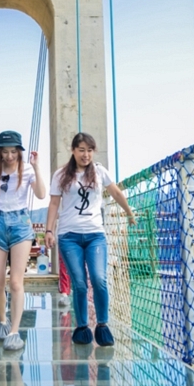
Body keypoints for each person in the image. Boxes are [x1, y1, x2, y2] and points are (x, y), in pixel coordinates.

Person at [45, 133, 136, 347]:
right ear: (73, 150)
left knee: (98, 279)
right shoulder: (61, 175)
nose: (86, 155)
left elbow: (115, 192)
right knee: (79, 283)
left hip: (95, 234)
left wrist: (129, 213)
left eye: (90, 150)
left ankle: (103, 325)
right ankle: (82, 327)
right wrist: (49, 230)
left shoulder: (99, 172)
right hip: (69, 236)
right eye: (82, 150)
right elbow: (54, 204)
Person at [0, 131, 46, 351]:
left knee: (15, 282)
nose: (10, 156)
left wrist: (37, 166)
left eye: (14, 151)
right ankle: (3, 320)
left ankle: (15, 331)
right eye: (5, 151)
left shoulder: (27, 169)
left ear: (19, 152)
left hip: (20, 223)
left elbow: (41, 194)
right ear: (0, 152)